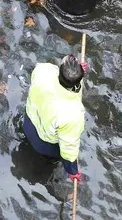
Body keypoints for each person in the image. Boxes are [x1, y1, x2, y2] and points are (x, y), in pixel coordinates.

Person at [22, 55, 87, 184]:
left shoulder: (43, 70)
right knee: (50, 161)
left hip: (28, 122)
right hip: (44, 144)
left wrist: (78, 76)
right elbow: (69, 147)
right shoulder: (72, 114)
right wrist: (72, 171)